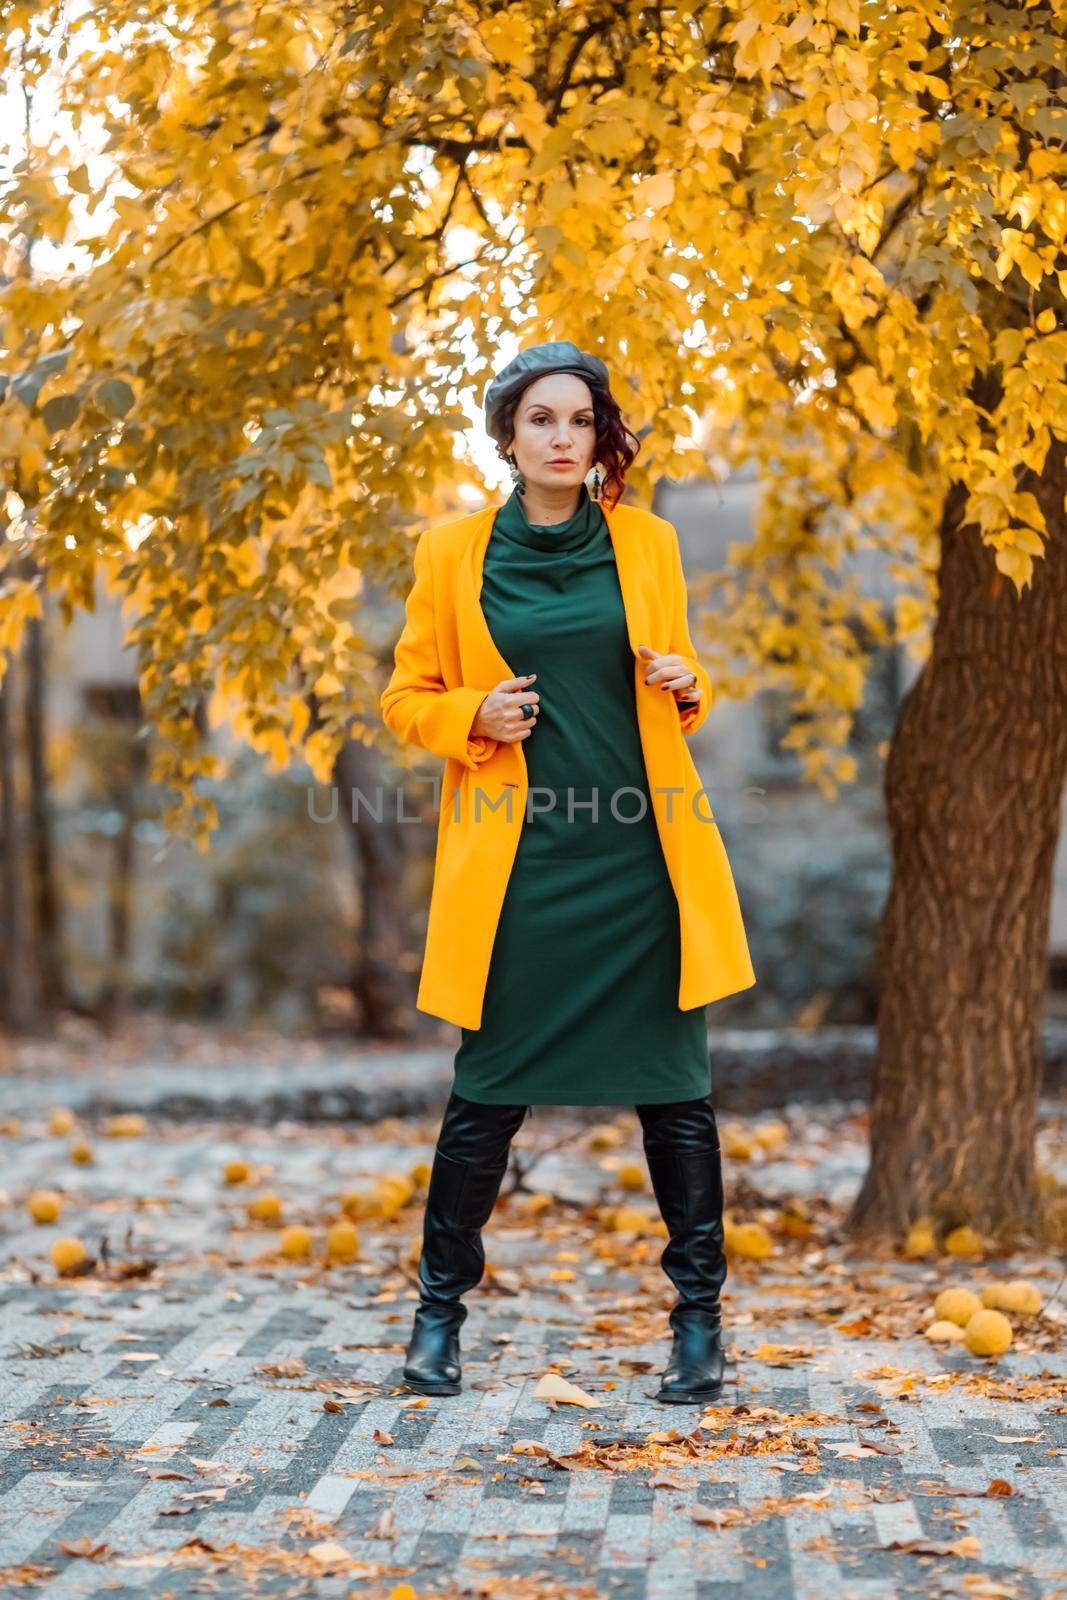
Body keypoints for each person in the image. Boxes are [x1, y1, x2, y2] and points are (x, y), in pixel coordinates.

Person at [379, 340, 756, 1403]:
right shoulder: (452, 552)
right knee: (485, 1094)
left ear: (598, 440)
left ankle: (697, 1327)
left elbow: (673, 690)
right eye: (540, 419)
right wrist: (469, 715)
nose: (560, 437)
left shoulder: (647, 544)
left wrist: (690, 683)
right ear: (507, 435)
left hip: (640, 858)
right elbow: (405, 696)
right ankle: (435, 1319)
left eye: (579, 421)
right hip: (520, 870)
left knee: (675, 1096)